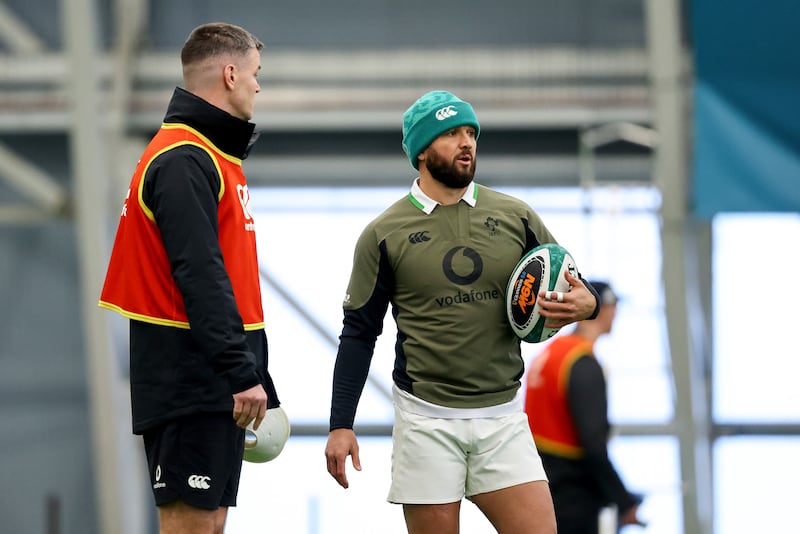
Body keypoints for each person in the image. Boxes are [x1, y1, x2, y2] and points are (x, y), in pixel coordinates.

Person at [324, 90, 600, 534]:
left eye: (470, 132)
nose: (466, 142)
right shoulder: (383, 234)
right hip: (426, 422)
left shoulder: (516, 215)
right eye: (451, 134)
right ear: (421, 151)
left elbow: (573, 283)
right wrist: (341, 425)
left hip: (504, 418)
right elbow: (358, 333)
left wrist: (589, 304)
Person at [98, 22, 281, 534]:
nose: (258, 86)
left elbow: (234, 284)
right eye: (255, 74)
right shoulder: (183, 158)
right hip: (191, 379)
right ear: (229, 73)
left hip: (213, 379)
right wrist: (239, 370)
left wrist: (255, 372)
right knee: (190, 526)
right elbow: (199, 274)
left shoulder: (211, 157)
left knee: (209, 525)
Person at [524, 281, 645, 534]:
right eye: (614, 307)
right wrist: (624, 501)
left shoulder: (550, 354)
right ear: (604, 308)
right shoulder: (582, 363)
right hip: (572, 496)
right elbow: (593, 443)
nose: (616, 314)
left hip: (540, 485)